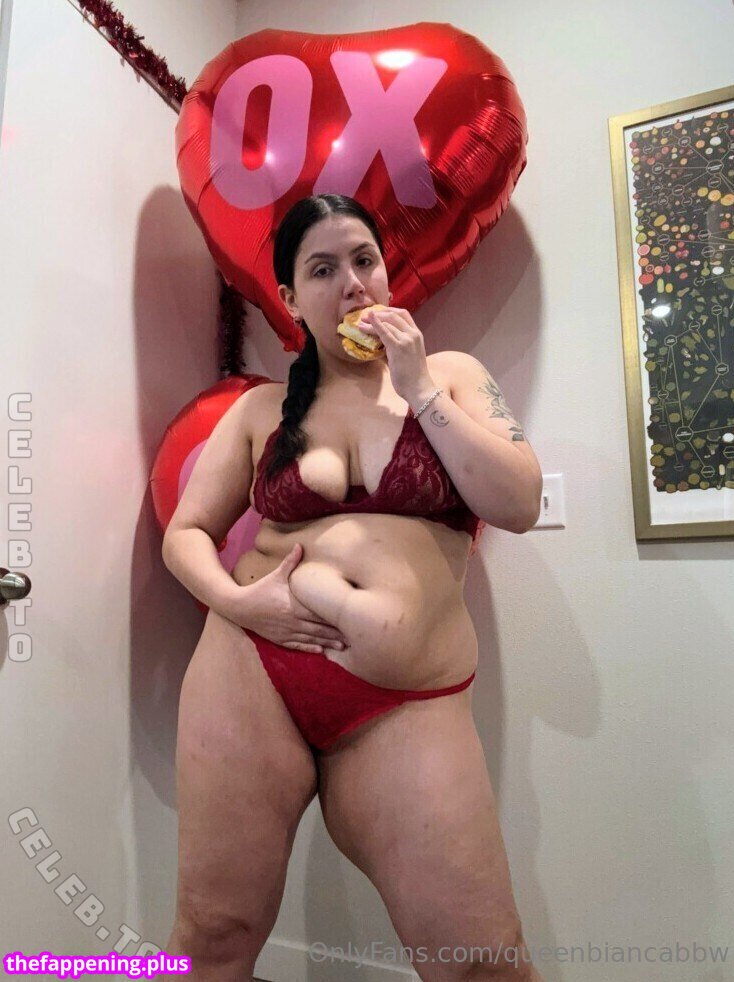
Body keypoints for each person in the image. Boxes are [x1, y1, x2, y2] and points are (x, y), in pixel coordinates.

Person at [160, 193, 545, 981]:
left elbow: (517, 504)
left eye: (364, 260)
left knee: (482, 961)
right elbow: (185, 533)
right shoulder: (261, 409)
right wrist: (237, 602)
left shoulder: (451, 376)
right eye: (323, 269)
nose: (352, 284)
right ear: (291, 299)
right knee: (214, 934)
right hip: (249, 670)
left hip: (407, 699)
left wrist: (419, 387)